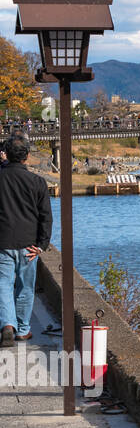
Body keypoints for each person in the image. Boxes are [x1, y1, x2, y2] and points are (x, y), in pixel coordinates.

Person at [0, 135, 53, 347]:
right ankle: (23, 330)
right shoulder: (37, 182)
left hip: (3, 241)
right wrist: (42, 244)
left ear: (6, 154)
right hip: (29, 243)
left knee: (3, 285)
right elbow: (46, 216)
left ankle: (7, 324)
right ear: (27, 157)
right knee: (25, 287)